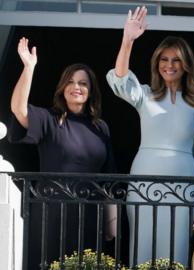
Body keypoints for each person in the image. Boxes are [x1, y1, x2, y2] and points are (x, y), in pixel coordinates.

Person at [106, 6, 194, 266]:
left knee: (176, 247)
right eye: (164, 60)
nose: (169, 65)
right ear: (157, 63)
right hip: (144, 177)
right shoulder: (144, 95)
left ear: (186, 65)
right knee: (143, 243)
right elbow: (120, 81)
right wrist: (127, 40)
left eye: (176, 60)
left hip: (185, 182)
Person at [8, 37, 116, 268]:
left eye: (83, 83)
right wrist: (29, 67)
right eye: (71, 82)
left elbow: (110, 178)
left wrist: (112, 220)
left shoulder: (100, 127)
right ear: (63, 88)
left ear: (91, 90)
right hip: (51, 213)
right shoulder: (48, 119)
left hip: (89, 213)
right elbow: (18, 109)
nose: (77, 87)